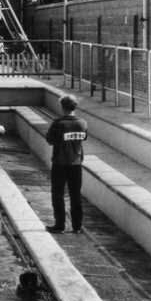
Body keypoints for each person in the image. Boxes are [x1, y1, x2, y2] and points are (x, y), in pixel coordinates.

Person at [45, 95, 88, 234]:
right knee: (75, 194)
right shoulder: (82, 123)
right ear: (74, 107)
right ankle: (77, 226)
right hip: (76, 163)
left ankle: (60, 225)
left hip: (60, 163)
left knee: (58, 194)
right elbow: (84, 138)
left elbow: (50, 140)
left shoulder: (58, 123)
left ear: (62, 107)